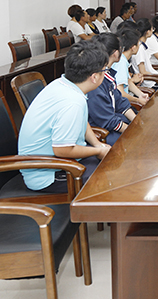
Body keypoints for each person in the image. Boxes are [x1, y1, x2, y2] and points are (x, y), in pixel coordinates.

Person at [17, 40, 112, 192]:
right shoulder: (72, 102)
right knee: (110, 179)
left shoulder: (63, 84)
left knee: (111, 164)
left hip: (61, 162)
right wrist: (98, 151)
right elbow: (63, 150)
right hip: (49, 173)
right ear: (94, 77)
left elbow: (81, 121)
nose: (106, 74)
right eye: (105, 70)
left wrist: (97, 144)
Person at [87, 33, 138, 145]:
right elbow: (107, 120)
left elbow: (120, 102)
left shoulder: (107, 74)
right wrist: (133, 131)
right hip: (102, 132)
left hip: (113, 123)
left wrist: (137, 122)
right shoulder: (95, 82)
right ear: (115, 53)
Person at [114, 27, 150, 104]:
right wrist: (138, 100)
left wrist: (141, 94)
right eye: (138, 44)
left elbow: (127, 82)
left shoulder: (122, 59)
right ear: (133, 48)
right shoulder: (121, 62)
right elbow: (120, 92)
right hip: (122, 105)